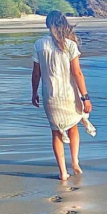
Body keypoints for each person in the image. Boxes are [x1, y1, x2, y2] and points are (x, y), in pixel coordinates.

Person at [31, 11, 93, 181]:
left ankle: (62, 172)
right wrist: (85, 97)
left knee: (56, 131)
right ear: (64, 24)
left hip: (50, 95)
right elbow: (77, 73)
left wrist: (34, 92)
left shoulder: (39, 44)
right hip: (69, 94)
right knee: (73, 126)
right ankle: (75, 162)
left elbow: (36, 74)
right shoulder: (70, 45)